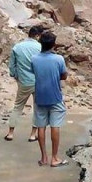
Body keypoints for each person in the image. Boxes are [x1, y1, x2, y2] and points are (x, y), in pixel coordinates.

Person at [31, 31, 69, 167]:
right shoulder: (59, 59)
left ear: (40, 43)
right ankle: (55, 158)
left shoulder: (34, 59)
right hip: (55, 96)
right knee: (55, 126)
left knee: (41, 126)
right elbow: (64, 76)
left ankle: (43, 158)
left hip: (40, 96)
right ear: (54, 44)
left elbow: (34, 72)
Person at [5, 26, 43, 142]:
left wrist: (15, 75)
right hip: (38, 82)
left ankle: (10, 133)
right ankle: (33, 135)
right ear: (37, 36)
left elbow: (12, 65)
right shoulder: (40, 47)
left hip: (24, 81)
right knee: (38, 109)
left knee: (17, 107)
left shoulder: (17, 47)